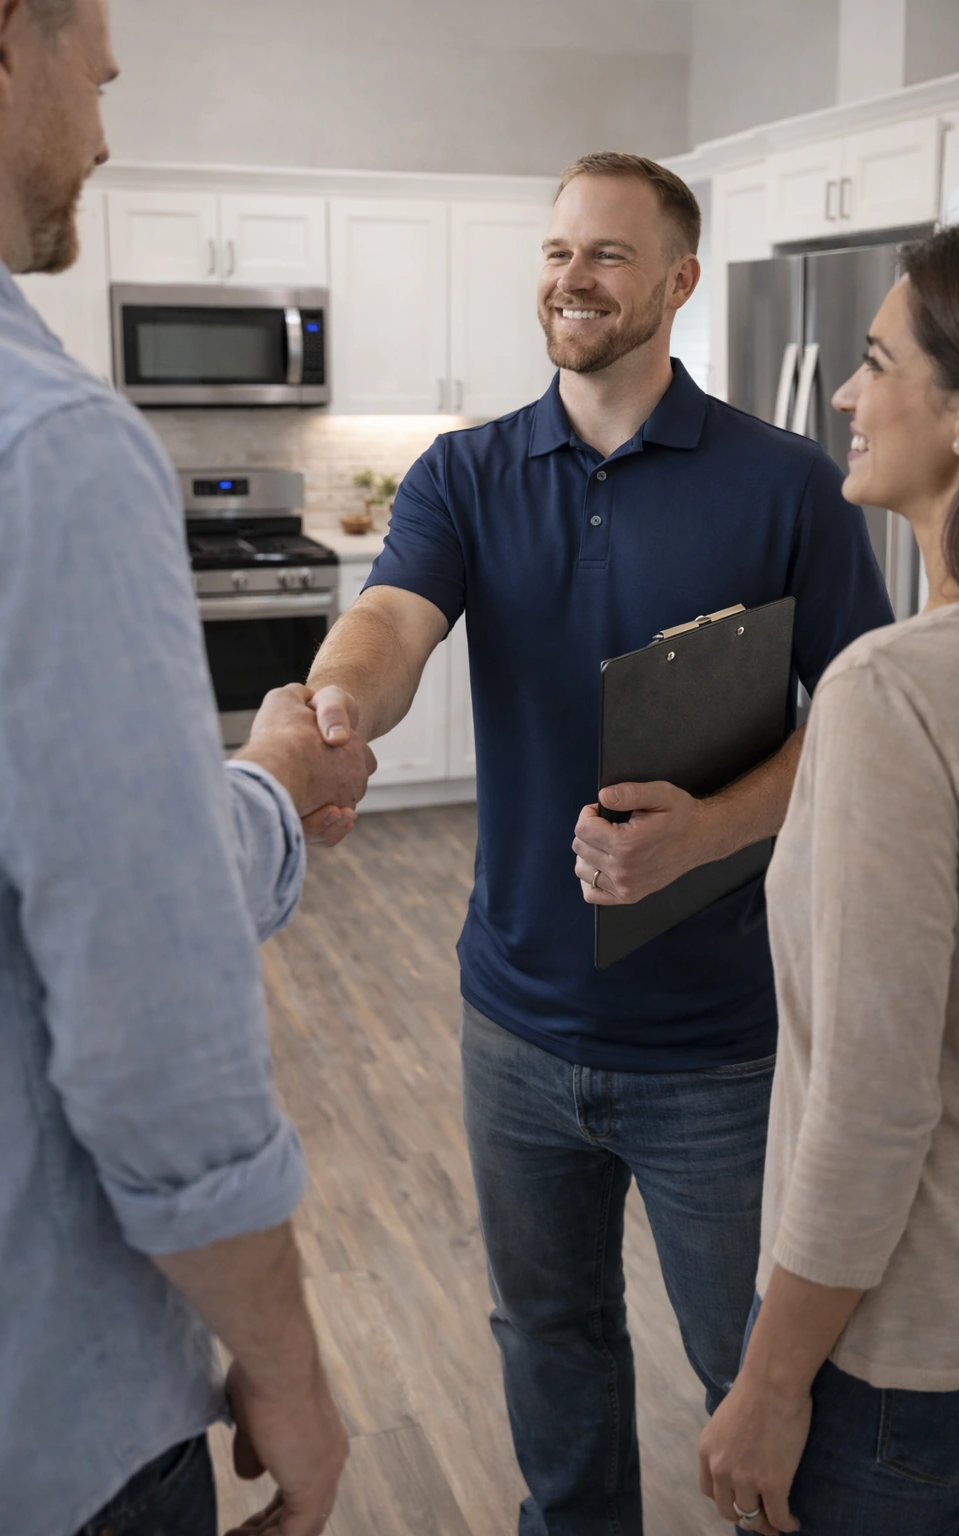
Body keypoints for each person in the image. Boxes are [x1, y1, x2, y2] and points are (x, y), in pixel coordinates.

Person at [303, 150, 894, 1535]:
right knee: (548, 1342)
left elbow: (863, 721)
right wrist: (334, 703)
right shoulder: (467, 473)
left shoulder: (787, 482)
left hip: (720, 1045)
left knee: (751, 1382)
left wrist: (714, 831)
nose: (572, 278)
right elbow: (391, 622)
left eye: (608, 254)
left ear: (679, 282)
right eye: (558, 250)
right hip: (514, 1023)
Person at [0, 2, 375, 1534]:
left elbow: (3, 864)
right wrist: (291, 1376)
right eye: (100, 79)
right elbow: (153, 1031)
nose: (107, 138)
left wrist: (255, 793)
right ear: (4, 40)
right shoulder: (34, 440)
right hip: (29, 1432)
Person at [697, 228, 959, 1536]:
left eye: (876, 361)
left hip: (901, 1351)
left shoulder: (892, 690)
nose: (845, 395)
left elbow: (872, 1093)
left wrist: (769, 1379)